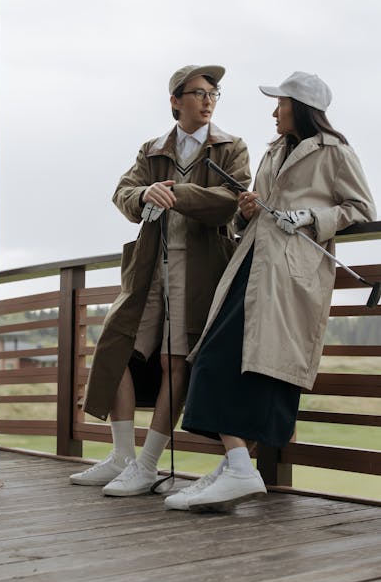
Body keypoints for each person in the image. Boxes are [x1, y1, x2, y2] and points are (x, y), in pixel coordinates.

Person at [165, 70, 376, 512]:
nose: (273, 111)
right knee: (214, 357)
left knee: (254, 366)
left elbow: (361, 208)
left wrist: (309, 217)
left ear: (299, 106)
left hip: (289, 276)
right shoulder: (272, 151)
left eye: (279, 103)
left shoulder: (336, 152)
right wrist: (246, 212)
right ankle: (237, 466)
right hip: (251, 266)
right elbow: (256, 213)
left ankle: (238, 468)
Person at [70, 64, 250, 495]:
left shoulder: (231, 146)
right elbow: (123, 193)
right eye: (198, 93)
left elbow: (234, 200)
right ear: (175, 101)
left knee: (176, 361)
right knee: (116, 348)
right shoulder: (152, 150)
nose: (208, 101)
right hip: (150, 269)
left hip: (203, 270)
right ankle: (122, 458)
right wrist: (145, 193)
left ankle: (148, 464)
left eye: (214, 94)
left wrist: (179, 194)